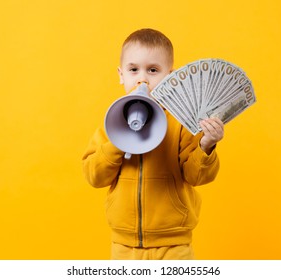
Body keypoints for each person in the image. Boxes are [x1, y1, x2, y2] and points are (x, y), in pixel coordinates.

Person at [82, 28, 224, 260]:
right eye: (133, 69)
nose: (142, 78)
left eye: (153, 70)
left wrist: (206, 145)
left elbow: (197, 177)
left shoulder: (181, 123)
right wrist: (118, 141)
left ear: (171, 76)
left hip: (174, 244)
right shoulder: (112, 122)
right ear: (121, 75)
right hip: (124, 245)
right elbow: (94, 176)